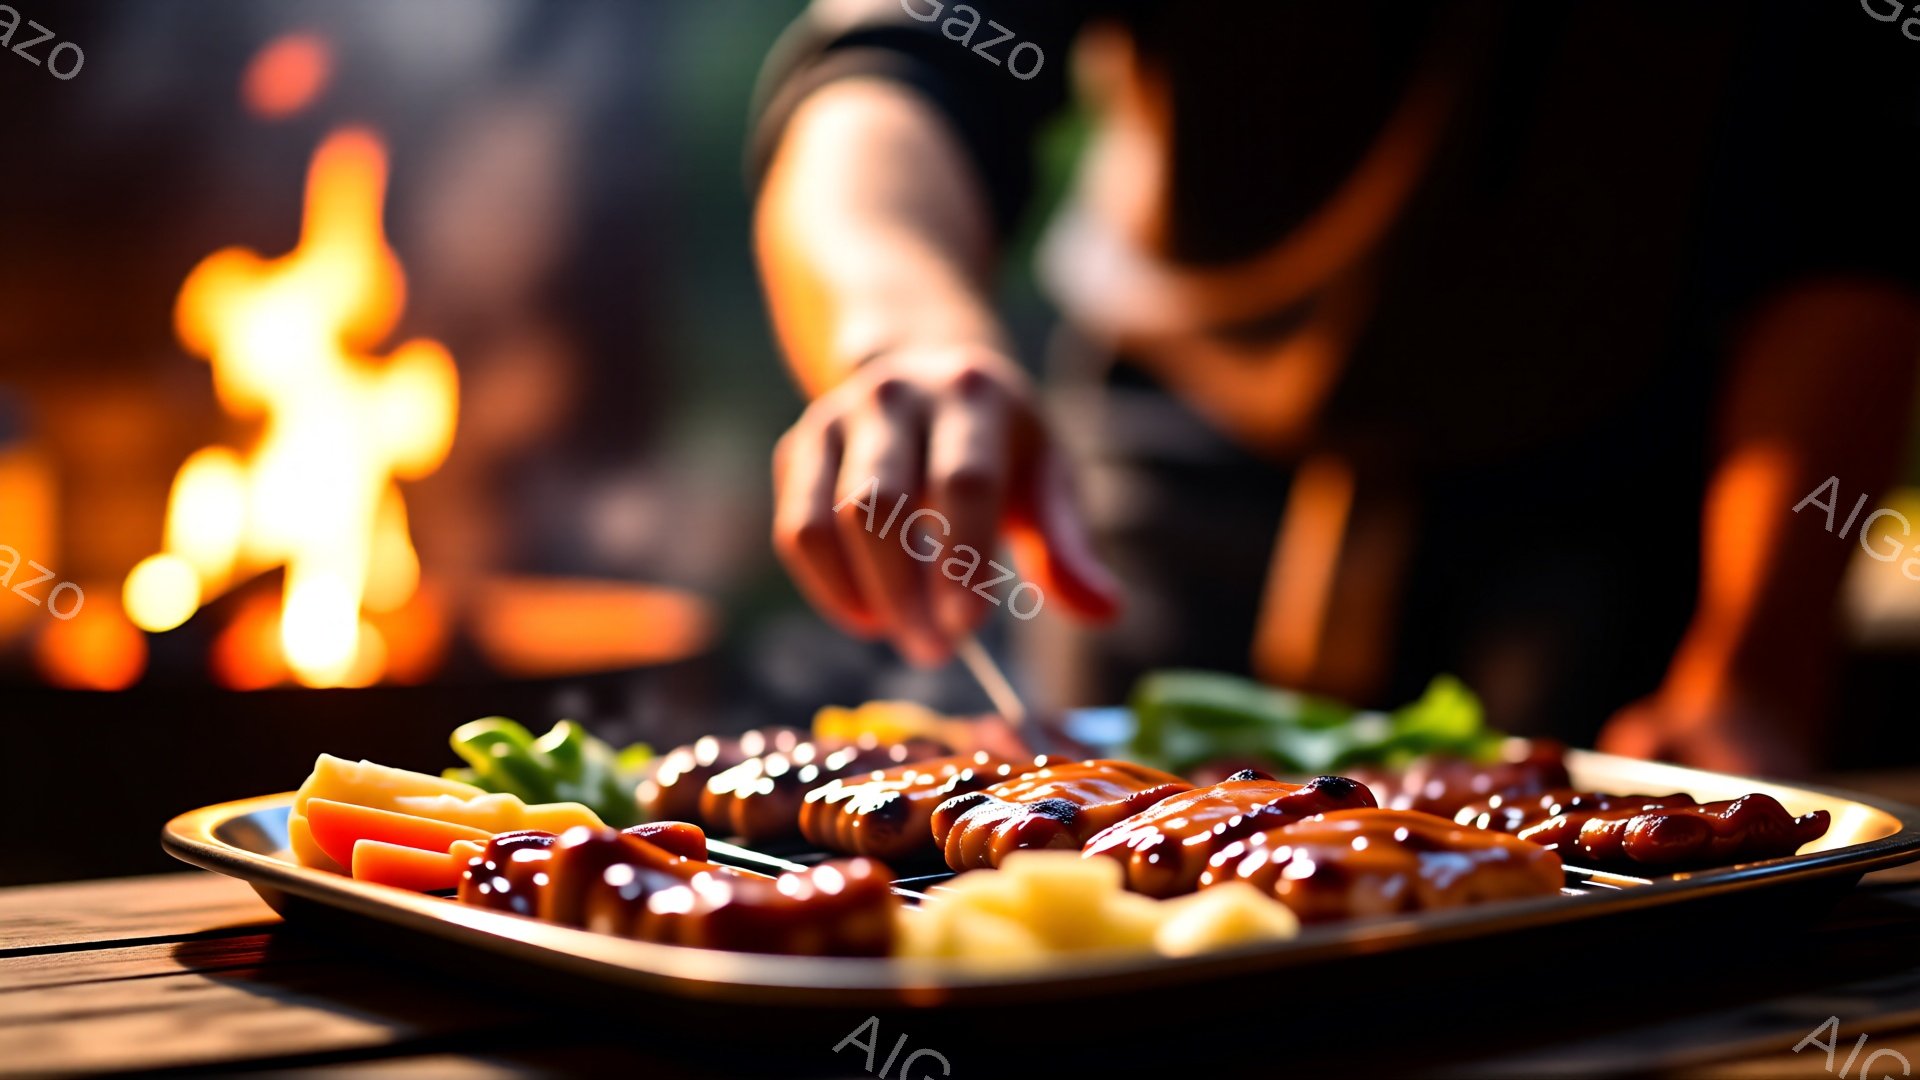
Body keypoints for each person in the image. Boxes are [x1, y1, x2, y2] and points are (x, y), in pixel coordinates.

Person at [748, 0, 1920, 775]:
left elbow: (1855, 189)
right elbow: (900, 66)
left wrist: (1754, 660)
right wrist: (898, 335)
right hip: (1162, 494)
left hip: (1626, 514)